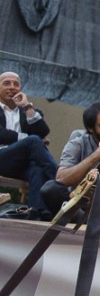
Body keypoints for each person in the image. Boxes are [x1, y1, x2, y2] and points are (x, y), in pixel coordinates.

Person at [0, 71, 58, 221]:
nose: (12, 87)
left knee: (37, 169)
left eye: (16, 84)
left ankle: (38, 212)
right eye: (6, 83)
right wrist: (27, 139)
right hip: (1, 158)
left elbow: (43, 131)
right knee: (33, 141)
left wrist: (26, 106)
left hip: (20, 164)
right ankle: (61, 180)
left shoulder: (28, 111)